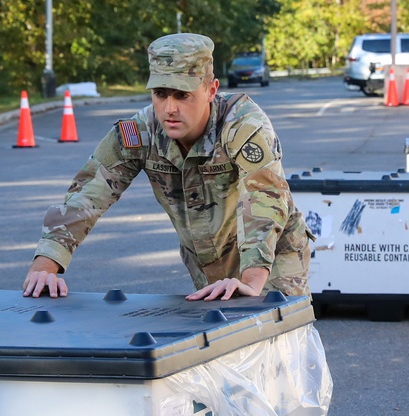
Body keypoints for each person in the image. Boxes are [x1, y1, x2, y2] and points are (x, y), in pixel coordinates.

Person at [23, 33, 312, 302]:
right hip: (207, 261)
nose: (169, 108)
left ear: (211, 90)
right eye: (161, 94)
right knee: (223, 349)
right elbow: (88, 194)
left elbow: (265, 196)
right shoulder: (141, 131)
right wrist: (46, 265)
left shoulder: (243, 125)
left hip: (271, 261)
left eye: (182, 95)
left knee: (274, 342)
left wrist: (251, 281)